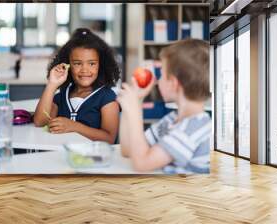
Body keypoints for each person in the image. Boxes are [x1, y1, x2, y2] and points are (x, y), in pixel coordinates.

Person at [117, 39, 211, 174]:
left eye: (161, 74)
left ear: (173, 83)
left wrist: (135, 112)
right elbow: (127, 150)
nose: (157, 79)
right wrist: (135, 102)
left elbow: (142, 163)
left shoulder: (193, 130)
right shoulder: (172, 120)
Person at [34, 28, 120, 144]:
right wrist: (52, 84)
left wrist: (74, 126)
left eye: (91, 63)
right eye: (77, 63)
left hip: (93, 159)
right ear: (68, 65)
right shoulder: (62, 95)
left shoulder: (107, 97)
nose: (84, 70)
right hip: (61, 156)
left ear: (101, 65)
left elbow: (109, 138)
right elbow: (40, 122)